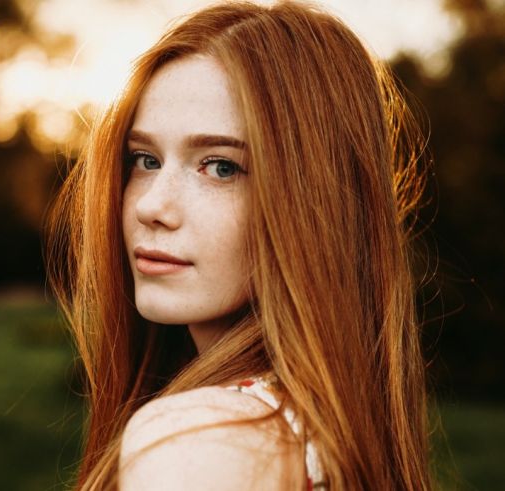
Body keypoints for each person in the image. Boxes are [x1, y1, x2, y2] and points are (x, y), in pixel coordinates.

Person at [46, 1, 432, 489]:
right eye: (144, 159)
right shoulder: (326, 429)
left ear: (316, 203)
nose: (151, 206)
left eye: (221, 166)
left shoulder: (199, 444)